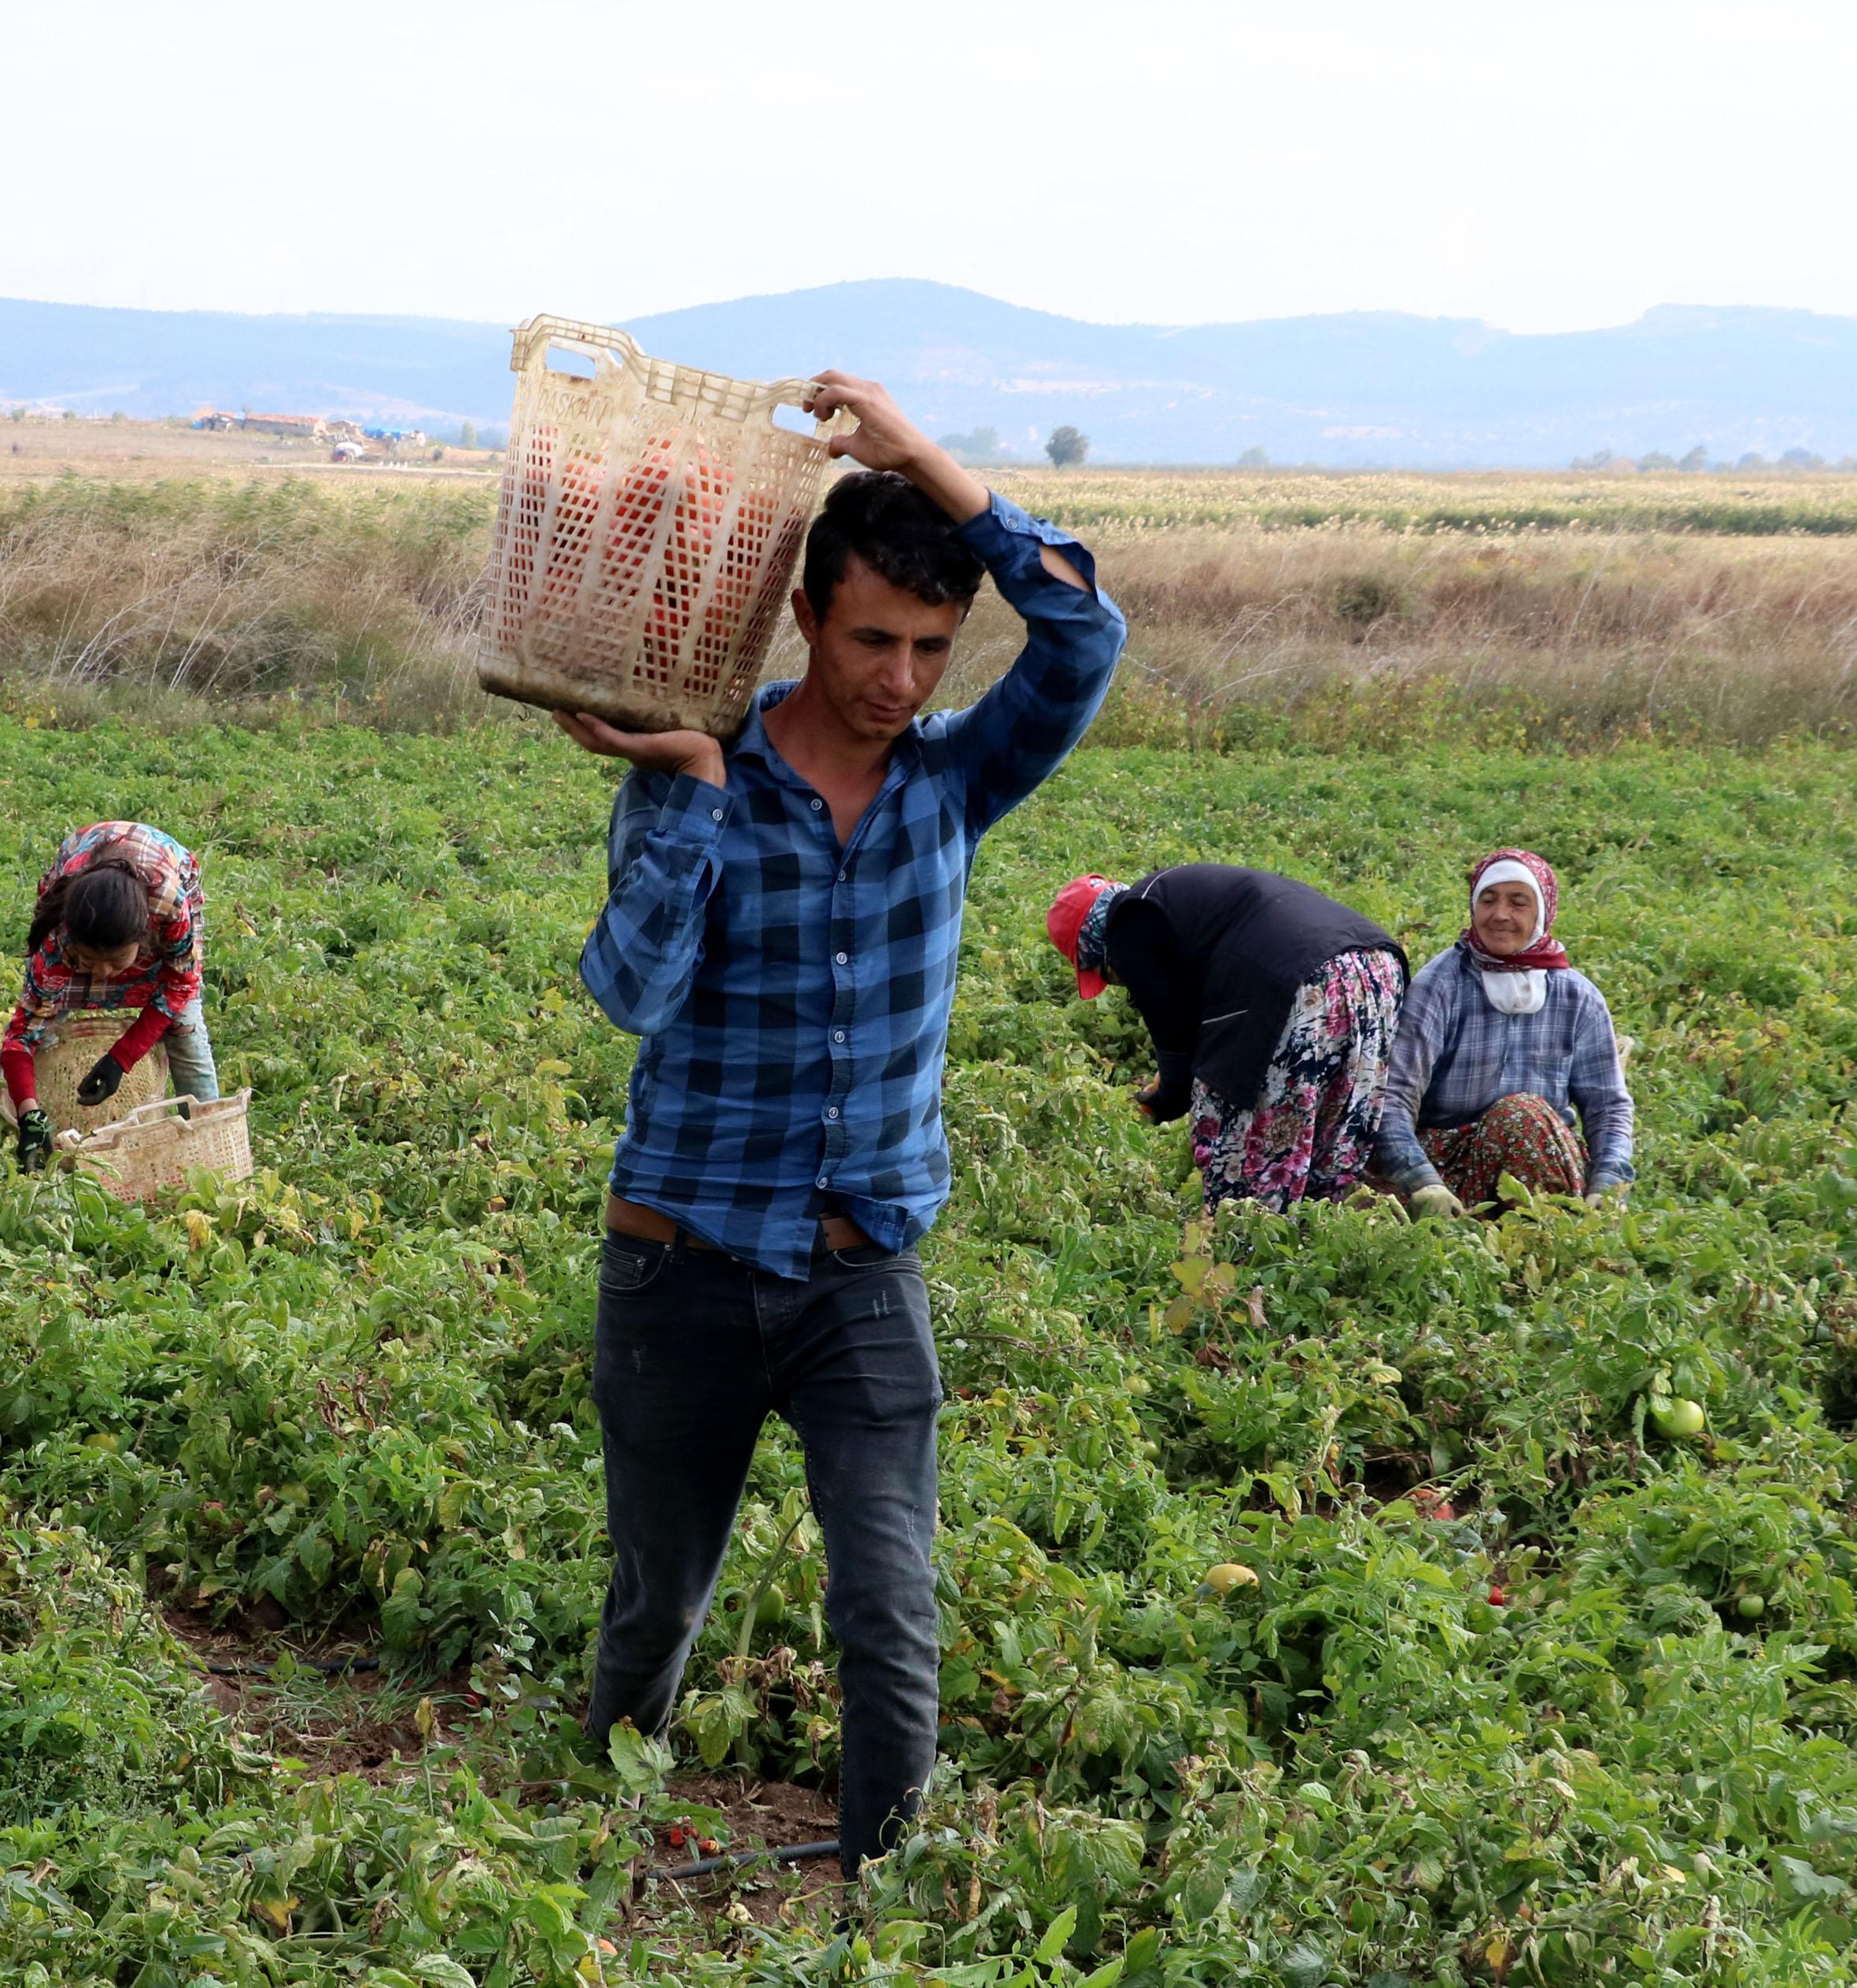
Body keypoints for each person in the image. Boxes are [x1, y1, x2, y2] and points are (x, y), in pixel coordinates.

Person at [554, 371, 1126, 1874]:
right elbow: (631, 989)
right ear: (808, 615)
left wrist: (925, 461)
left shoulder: (956, 780)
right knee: (657, 1605)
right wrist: (689, 789)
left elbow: (1085, 636)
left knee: (888, 1605)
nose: (902, 678)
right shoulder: (698, 760)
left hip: (862, 1266)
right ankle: (596, 1865)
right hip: (680, 1262)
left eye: (932, 647)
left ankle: (885, 1900)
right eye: (874, 639)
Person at [1047, 866, 1406, 1211]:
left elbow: (1174, 1038)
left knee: (1243, 1158)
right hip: (1377, 972)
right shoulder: (1171, 899)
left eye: (1104, 974)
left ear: (1095, 946)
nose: (1114, 981)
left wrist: (1158, 1102)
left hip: (1305, 983)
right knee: (1326, 1147)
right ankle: (1314, 1238)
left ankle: (1247, 1245)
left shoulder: (1129, 926)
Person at [1371, 848, 1637, 1214]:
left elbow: (1608, 1107)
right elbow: (1393, 1096)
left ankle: (1540, 1230)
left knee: (1522, 1116)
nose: (1500, 915)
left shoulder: (1577, 997)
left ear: (1543, 911)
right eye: (1489, 899)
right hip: (1449, 1165)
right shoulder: (1441, 985)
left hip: (1541, 1162)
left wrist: (1609, 1182)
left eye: (1518, 902)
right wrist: (1422, 1181)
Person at [0, 822, 216, 1173]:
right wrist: (29, 1115)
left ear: (144, 940)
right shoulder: (58, 935)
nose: (102, 974)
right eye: (88, 962)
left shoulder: (169, 908)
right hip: (82, 870)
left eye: (116, 961)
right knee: (44, 1025)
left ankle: (206, 1134)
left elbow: (179, 985)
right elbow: (23, 1035)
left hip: (162, 873)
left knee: (183, 1025)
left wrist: (120, 1059)